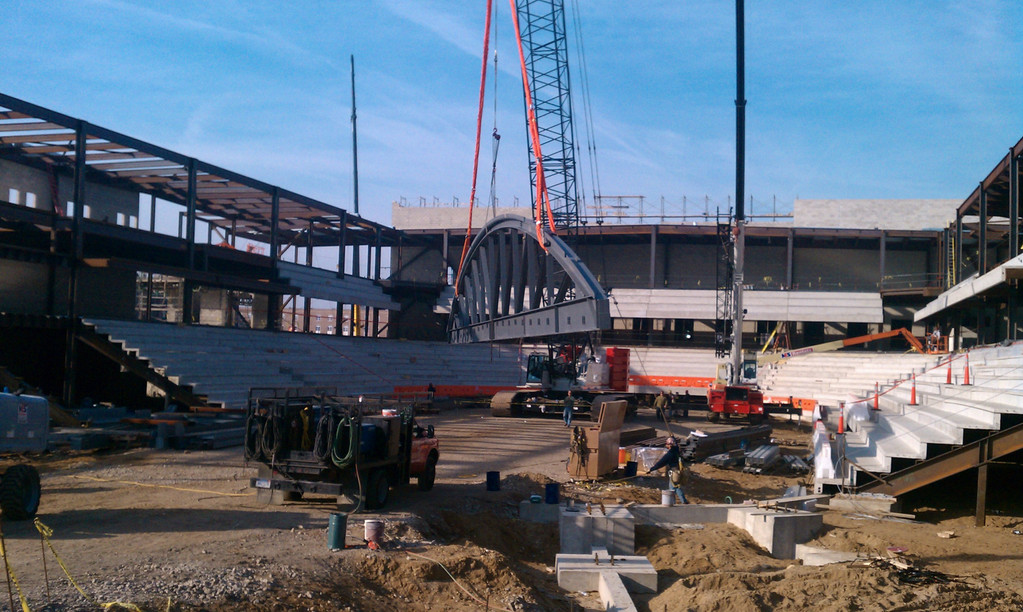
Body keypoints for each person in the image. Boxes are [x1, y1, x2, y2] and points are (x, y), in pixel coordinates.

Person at [646, 436, 688, 504]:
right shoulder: (676, 450)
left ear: (669, 445)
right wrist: (673, 438)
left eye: (667, 444)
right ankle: (678, 501)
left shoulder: (669, 454)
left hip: (674, 472)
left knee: (674, 487)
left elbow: (660, 463)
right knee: (674, 487)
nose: (666, 445)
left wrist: (651, 469)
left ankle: (679, 501)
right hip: (679, 471)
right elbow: (676, 445)